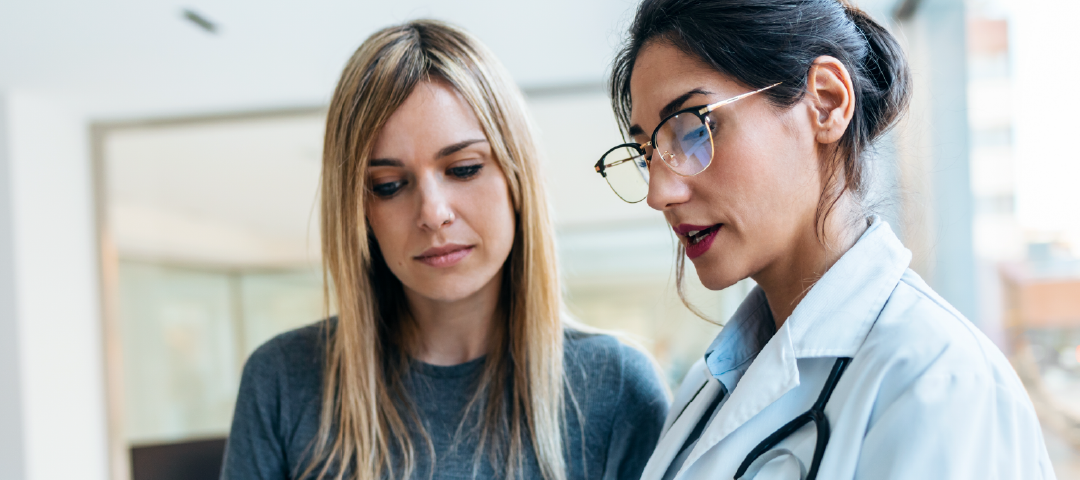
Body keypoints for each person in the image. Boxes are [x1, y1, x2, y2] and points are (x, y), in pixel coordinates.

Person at [593, 0, 1055, 478]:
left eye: (693, 128)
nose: (659, 193)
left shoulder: (940, 380)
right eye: (648, 152)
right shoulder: (705, 388)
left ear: (827, 102)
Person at [221, 20, 668, 480]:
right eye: (388, 185)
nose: (433, 213)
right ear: (358, 210)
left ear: (517, 178)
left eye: (464, 169)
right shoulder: (282, 381)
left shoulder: (615, 388)